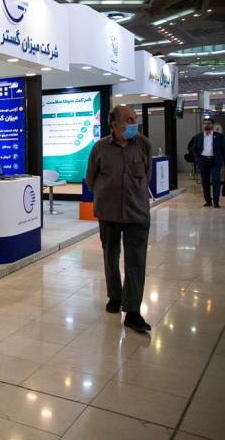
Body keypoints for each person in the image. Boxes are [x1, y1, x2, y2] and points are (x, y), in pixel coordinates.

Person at [86, 105, 152, 333]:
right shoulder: (100, 148)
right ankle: (115, 296)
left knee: (136, 261)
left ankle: (132, 312)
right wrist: (106, 195)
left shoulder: (143, 144)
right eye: (129, 119)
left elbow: (147, 175)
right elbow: (91, 179)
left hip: (137, 213)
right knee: (110, 256)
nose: (134, 122)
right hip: (109, 212)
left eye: (135, 118)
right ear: (114, 125)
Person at [190, 116, 225, 208]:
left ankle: (216, 201)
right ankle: (208, 201)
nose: (207, 125)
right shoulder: (198, 137)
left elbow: (223, 150)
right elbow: (194, 150)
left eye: (209, 123)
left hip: (215, 161)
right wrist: (198, 160)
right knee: (205, 182)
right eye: (205, 123)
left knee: (216, 181)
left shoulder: (220, 136)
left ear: (212, 125)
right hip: (203, 161)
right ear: (203, 125)